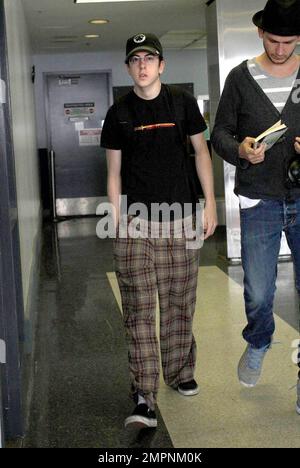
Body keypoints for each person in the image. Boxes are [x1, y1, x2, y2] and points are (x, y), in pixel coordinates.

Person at [101, 32, 217, 428]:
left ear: (162, 65)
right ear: (129, 68)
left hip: (182, 217)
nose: (143, 65)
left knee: (179, 302)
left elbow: (201, 153)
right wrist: (116, 219)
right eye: (135, 60)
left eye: (150, 58)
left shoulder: (183, 104)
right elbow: (113, 172)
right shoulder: (118, 113)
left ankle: (180, 371)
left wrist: (210, 203)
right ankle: (144, 395)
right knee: (138, 308)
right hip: (135, 222)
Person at [211, 0, 300, 413]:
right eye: (274, 40)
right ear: (261, 34)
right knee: (260, 291)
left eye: (290, 42)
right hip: (258, 199)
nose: (281, 50)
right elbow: (220, 134)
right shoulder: (240, 77)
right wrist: (241, 150)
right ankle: (259, 341)